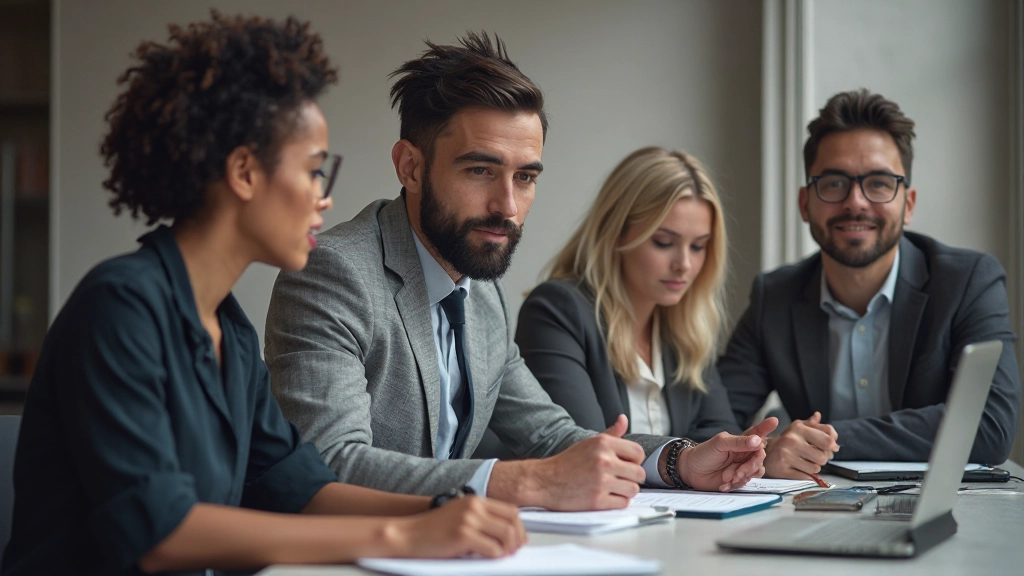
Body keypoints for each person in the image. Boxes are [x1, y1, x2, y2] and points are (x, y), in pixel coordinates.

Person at [1, 14, 526, 576]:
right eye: (313, 170)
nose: (324, 200)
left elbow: (304, 490)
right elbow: (161, 530)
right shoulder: (119, 308)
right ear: (245, 172)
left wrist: (451, 513)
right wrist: (405, 533)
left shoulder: (228, 329)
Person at [266, 32, 777, 511]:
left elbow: (552, 435)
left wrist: (681, 460)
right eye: (480, 170)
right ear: (410, 167)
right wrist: (520, 482)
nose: (507, 205)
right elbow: (328, 463)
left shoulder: (480, 294)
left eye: (526, 177)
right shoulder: (334, 273)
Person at [717, 89, 1021, 480]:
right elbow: (714, 422)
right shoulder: (773, 297)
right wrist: (769, 448)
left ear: (907, 204)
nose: (855, 202)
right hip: (814, 504)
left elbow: (989, 426)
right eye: (834, 182)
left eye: (878, 183)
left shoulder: (968, 281)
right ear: (805, 203)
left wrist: (817, 440)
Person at [514, 147, 742, 442]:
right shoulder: (556, 310)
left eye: (698, 246)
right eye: (663, 242)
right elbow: (585, 447)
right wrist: (682, 460)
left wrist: (761, 450)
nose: (684, 264)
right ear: (616, 232)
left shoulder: (687, 328)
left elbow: (720, 435)